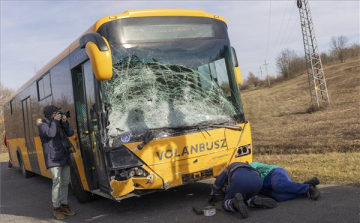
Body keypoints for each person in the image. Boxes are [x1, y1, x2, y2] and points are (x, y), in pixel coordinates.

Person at [37, 105, 76, 220]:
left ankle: (64, 205)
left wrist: (64, 122)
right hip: (53, 158)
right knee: (57, 182)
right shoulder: (42, 125)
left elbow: (69, 133)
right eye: (56, 113)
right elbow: (51, 134)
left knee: (65, 182)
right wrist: (55, 121)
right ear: (50, 114)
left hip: (64, 156)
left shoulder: (57, 123)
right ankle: (56, 208)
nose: (58, 115)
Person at [210, 162, 277, 219]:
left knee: (225, 203)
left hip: (240, 180)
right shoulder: (249, 166)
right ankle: (253, 201)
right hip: (257, 181)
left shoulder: (229, 167)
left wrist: (214, 193)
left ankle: (233, 203)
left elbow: (218, 182)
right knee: (248, 197)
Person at [249, 162, 321, 202]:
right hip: (268, 189)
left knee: (278, 185)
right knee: (279, 197)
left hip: (274, 173)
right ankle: (305, 190)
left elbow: (251, 171)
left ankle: (308, 188)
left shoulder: (250, 165)